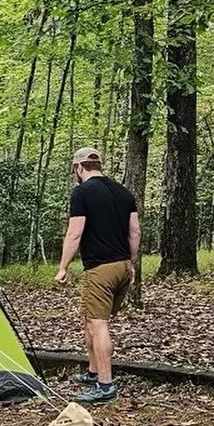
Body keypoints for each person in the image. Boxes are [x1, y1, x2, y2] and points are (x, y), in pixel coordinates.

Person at [54, 147, 140, 404]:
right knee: (89, 319)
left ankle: (105, 386)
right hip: (122, 266)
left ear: (78, 168)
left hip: (100, 268)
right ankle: (93, 372)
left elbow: (74, 233)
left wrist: (63, 267)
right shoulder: (123, 192)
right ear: (98, 165)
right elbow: (134, 232)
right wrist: (131, 264)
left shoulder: (81, 192)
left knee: (98, 324)